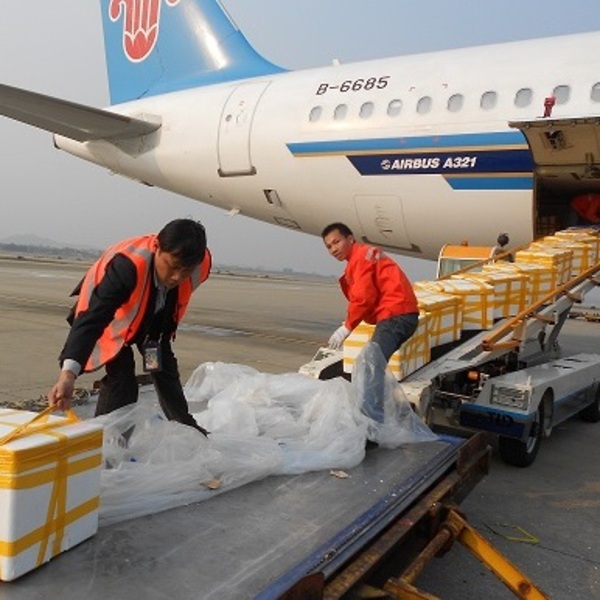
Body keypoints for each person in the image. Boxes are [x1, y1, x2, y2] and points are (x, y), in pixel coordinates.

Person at [48, 218, 211, 435]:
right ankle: (107, 441)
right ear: (157, 248)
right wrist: (68, 376)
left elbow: (167, 300)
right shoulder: (126, 268)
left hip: (151, 328)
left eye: (186, 271)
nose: (177, 277)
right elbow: (93, 320)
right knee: (122, 381)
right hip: (113, 324)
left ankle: (187, 429)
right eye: (172, 267)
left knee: (161, 369)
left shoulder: (199, 263)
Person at [321, 222, 419, 423]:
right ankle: (372, 417)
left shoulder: (360, 258)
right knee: (369, 363)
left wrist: (346, 327)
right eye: (329, 246)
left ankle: (372, 425)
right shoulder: (362, 257)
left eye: (336, 242)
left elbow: (364, 297)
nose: (333, 249)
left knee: (370, 366)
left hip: (395, 315)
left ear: (350, 239)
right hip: (398, 314)